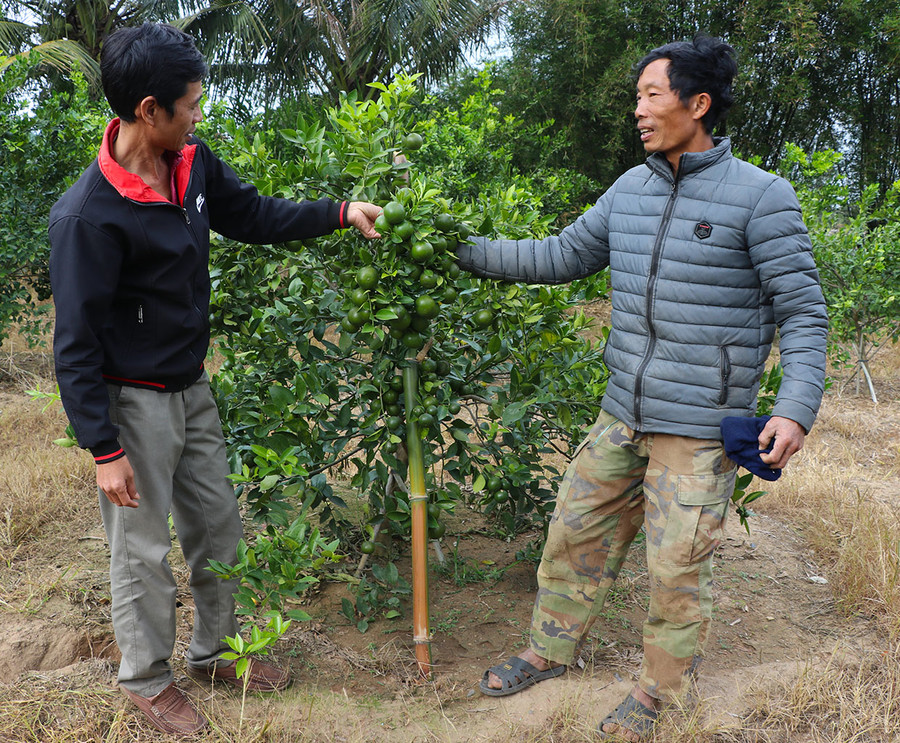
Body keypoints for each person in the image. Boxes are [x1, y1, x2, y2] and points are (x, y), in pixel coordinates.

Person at [458, 36, 827, 741]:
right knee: (573, 531)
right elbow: (558, 255)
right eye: (638, 97)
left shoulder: (762, 196)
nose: (639, 110)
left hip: (696, 426)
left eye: (651, 95)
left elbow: (804, 310)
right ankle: (549, 647)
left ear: (698, 103)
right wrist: (454, 246)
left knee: (677, 567)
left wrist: (794, 409)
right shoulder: (632, 188)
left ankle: (660, 693)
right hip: (621, 413)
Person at [48, 22, 381, 737]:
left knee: (219, 527)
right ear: (148, 110)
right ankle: (145, 679)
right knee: (142, 549)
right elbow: (72, 343)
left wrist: (339, 212)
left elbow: (252, 214)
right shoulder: (89, 216)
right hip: (132, 401)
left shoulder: (192, 163)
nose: (198, 115)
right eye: (190, 104)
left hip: (191, 388)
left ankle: (218, 654)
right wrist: (103, 450)